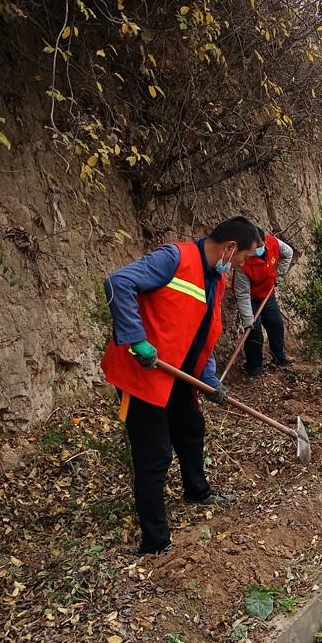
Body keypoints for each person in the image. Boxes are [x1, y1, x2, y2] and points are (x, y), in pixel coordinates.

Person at [101, 216, 260, 555]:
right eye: (243, 258)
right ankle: (155, 541)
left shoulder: (215, 277)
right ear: (230, 248)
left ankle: (197, 491)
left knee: (191, 429)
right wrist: (135, 339)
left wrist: (209, 379)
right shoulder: (173, 258)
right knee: (154, 455)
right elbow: (118, 282)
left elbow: (204, 333)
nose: (241, 266)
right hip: (144, 375)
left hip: (177, 377)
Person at [234, 227, 294, 375]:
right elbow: (242, 294)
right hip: (252, 299)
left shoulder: (273, 243)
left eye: (261, 245)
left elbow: (288, 253)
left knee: (276, 325)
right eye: (256, 247)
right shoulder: (243, 264)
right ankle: (254, 367)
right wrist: (248, 319)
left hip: (268, 295)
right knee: (254, 332)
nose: (259, 249)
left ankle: (279, 358)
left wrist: (279, 275)